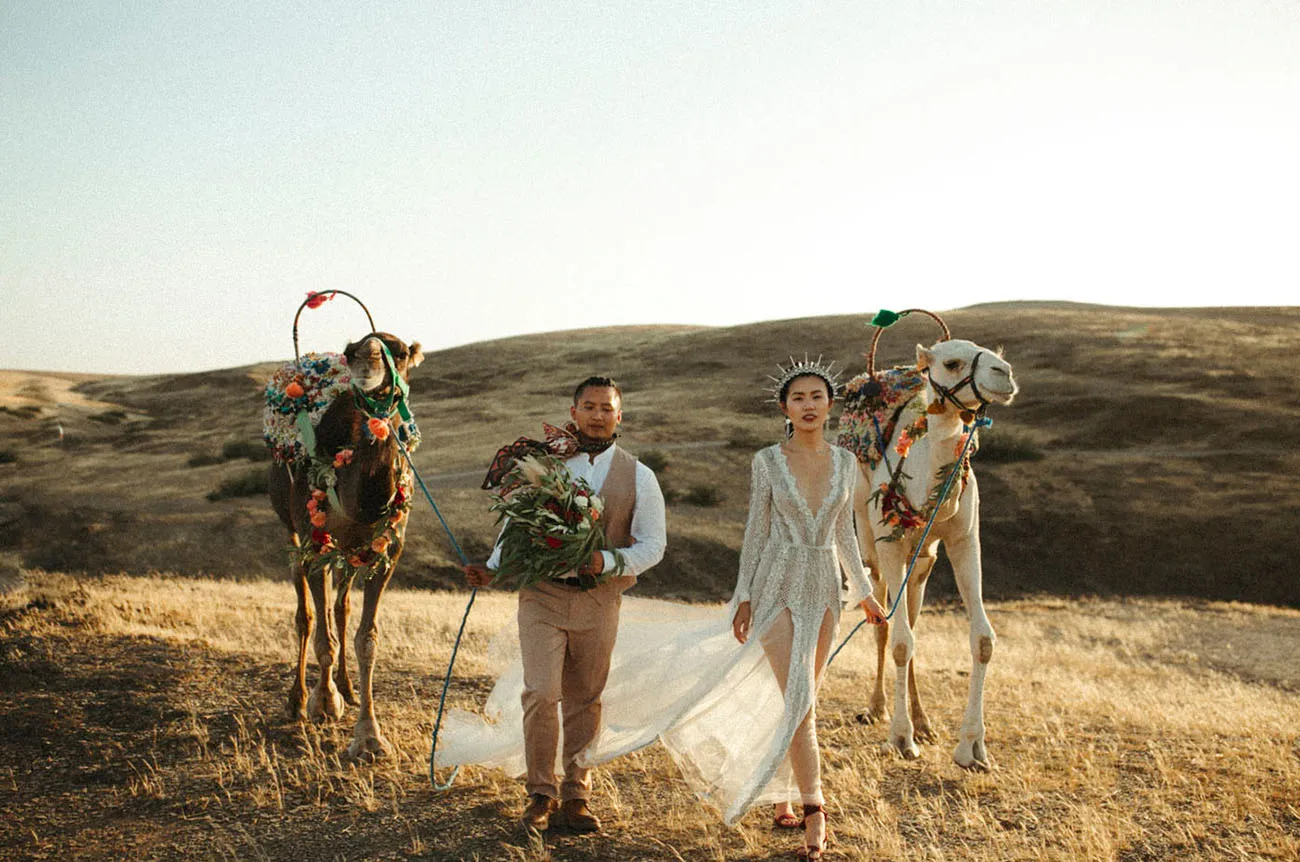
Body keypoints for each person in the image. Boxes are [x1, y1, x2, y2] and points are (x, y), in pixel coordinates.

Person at [460, 376, 667, 834]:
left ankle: (577, 794)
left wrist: (606, 561)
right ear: (574, 412)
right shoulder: (545, 465)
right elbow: (516, 525)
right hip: (542, 596)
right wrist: (492, 569)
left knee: (585, 699)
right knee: (541, 692)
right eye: (589, 406)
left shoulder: (640, 476)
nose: (597, 415)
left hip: (599, 599)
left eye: (606, 408)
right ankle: (540, 793)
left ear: (619, 416)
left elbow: (654, 545)